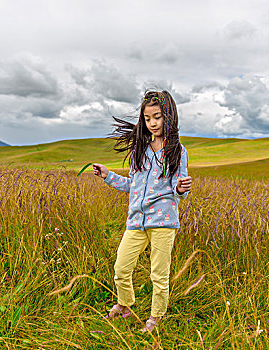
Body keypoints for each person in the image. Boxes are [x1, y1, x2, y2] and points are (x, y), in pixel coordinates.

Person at [93, 90, 192, 332]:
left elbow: (178, 189)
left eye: (157, 117)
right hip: (136, 221)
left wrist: (181, 188)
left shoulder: (177, 151)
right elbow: (132, 185)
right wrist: (108, 176)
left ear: (169, 116)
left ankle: (156, 317)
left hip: (163, 222)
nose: (153, 123)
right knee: (121, 267)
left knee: (159, 275)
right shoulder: (140, 150)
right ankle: (125, 305)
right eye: (148, 119)